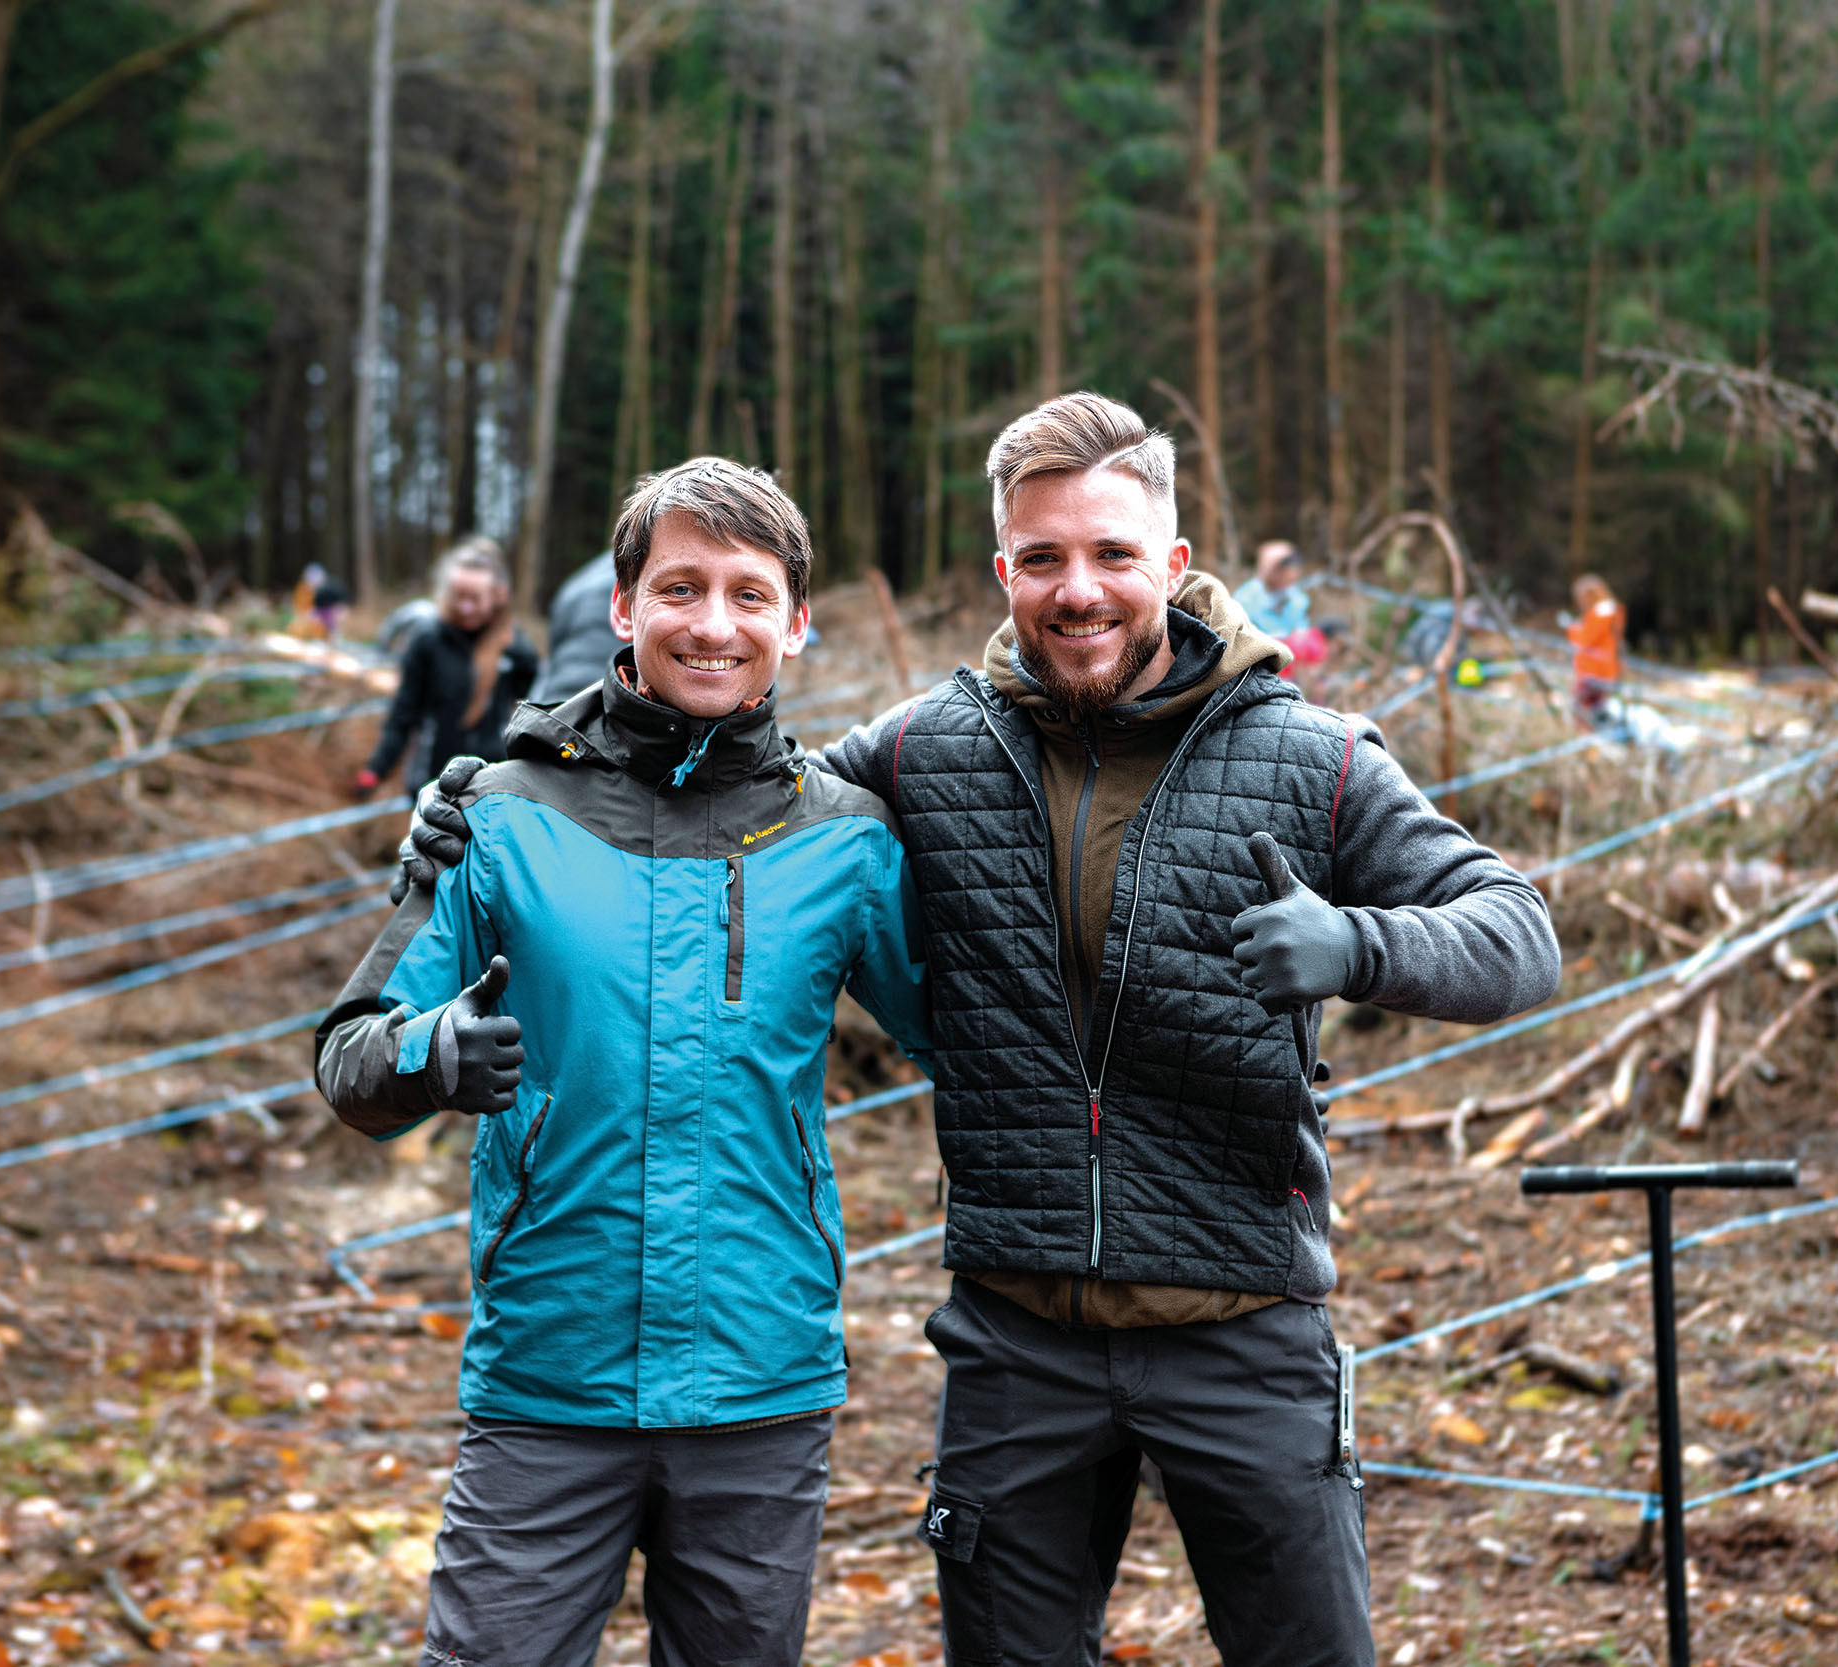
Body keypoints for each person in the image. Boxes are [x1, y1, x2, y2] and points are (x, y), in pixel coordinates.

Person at [402, 392, 1561, 1666]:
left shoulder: (1312, 755)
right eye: (1046, 557)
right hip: (1018, 1345)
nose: (1080, 590)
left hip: (1244, 1322)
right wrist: (503, 782)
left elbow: (1515, 931)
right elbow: (721, 781)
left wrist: (1357, 944)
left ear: (1170, 567)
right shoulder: (924, 747)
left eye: (1114, 554)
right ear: (1003, 567)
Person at [316, 457, 933, 1667]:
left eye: (750, 595)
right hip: (549, 1376)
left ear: (796, 624)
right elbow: (349, 1058)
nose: (713, 624)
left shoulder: (846, 839)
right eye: (680, 588)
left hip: (760, 1378)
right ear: (621, 606)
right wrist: (431, 1052)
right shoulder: (497, 814)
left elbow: (977, 1040)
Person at [355, 538, 538, 798]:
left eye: (475, 598)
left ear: (497, 596)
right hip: (432, 781)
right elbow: (403, 712)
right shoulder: (428, 640)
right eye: (458, 597)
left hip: (490, 784)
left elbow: (529, 713)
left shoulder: (515, 649)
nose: (465, 607)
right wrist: (377, 768)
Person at [533, 551, 627, 704]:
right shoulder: (646, 574)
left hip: (555, 706)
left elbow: (553, 645)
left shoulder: (581, 581)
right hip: (607, 704)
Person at [1564, 572, 1624, 729]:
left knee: (1584, 709)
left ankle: (1592, 740)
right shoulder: (1609, 612)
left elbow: (1586, 640)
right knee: (1594, 708)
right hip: (1601, 671)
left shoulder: (1601, 614)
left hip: (1595, 672)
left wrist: (1572, 629)